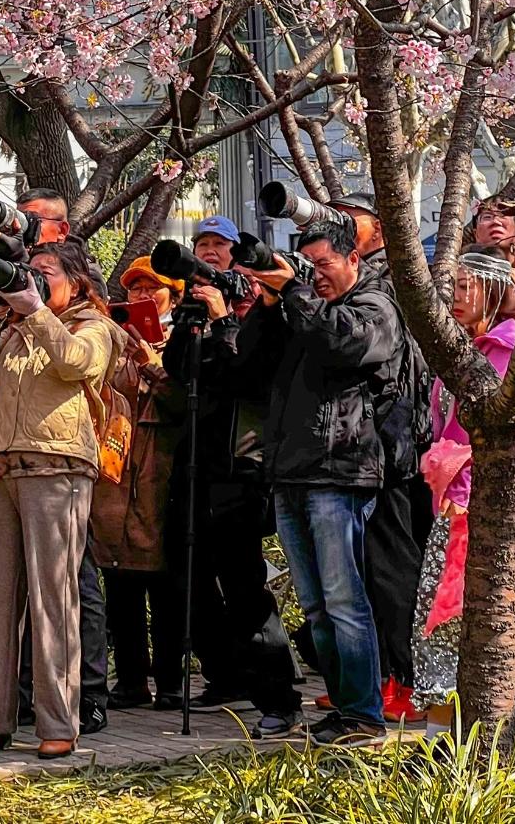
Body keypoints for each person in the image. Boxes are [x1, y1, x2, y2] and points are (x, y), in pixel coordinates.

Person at [238, 217, 407, 745]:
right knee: (315, 607)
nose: (315, 275)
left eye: (324, 264)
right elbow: (252, 364)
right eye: (307, 266)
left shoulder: (375, 305)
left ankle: (363, 715)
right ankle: (343, 709)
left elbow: (344, 344)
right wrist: (270, 305)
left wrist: (293, 291)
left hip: (342, 471)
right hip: (291, 472)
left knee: (344, 601)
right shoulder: (302, 309)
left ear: (354, 259)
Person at [0, 241, 121, 758]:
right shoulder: (15, 325)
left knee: (54, 598)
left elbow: (76, 364)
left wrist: (37, 311)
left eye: (46, 273)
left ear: (77, 281)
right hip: (5, 463)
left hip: (58, 466)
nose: (34, 280)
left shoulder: (94, 324)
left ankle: (59, 723)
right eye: (30, 272)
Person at [160, 218, 302, 736]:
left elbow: (250, 377)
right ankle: (225, 675)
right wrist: (189, 321)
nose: (211, 256)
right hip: (196, 461)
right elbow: (180, 371)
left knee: (244, 585)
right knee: (186, 573)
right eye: (203, 246)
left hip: (242, 466)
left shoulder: (266, 318)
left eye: (220, 247)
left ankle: (278, 698)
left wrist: (224, 320)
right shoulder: (197, 310)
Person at [412, 250, 515, 732]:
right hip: (451, 500)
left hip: (479, 506)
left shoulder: (507, 350)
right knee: (439, 619)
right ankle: (442, 740)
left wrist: (464, 484)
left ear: (493, 289)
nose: (453, 296)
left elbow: (501, 438)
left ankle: (468, 739)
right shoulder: (462, 348)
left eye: (463, 285)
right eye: (451, 285)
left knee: (453, 616)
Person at [331, 192, 425, 725]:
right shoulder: (343, 278)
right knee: (361, 565)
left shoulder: (396, 280)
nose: (340, 226)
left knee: (391, 562)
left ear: (382, 231)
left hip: (388, 440)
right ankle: (374, 676)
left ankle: (407, 679)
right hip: (356, 444)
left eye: (352, 220)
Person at [91, 257, 186, 712]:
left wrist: (152, 364)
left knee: (165, 585)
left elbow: (183, 402)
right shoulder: (114, 341)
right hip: (115, 474)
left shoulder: (183, 339)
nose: (143, 297)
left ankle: (170, 681)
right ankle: (130, 680)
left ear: (175, 296)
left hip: (161, 473)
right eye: (135, 289)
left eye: (154, 288)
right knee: (118, 580)